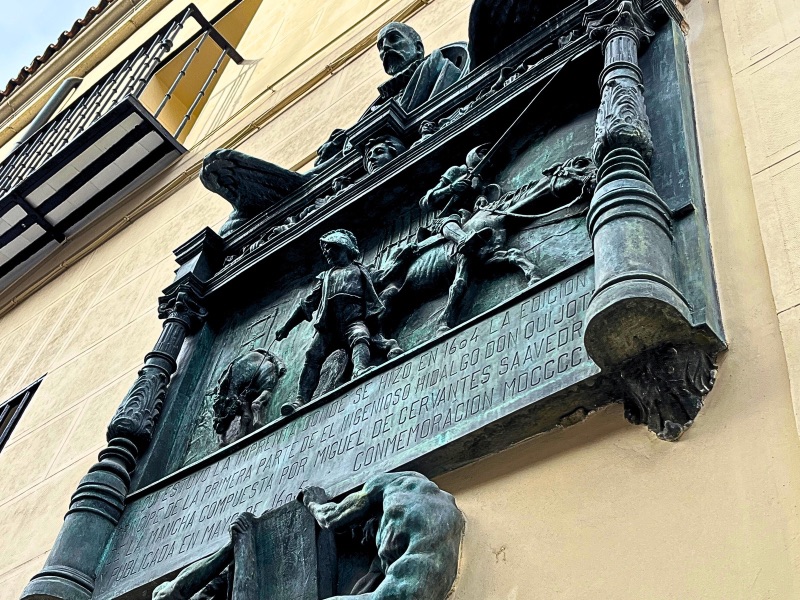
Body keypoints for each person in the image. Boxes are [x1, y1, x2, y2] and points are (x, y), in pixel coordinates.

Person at [275, 230, 398, 415]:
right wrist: (286, 327)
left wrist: (402, 259)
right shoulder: (325, 277)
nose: (326, 253)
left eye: (330, 248)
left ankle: (359, 370)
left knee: (360, 336)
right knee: (312, 355)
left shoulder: (361, 271)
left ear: (343, 247)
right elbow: (308, 303)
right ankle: (300, 400)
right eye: (324, 250)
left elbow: (382, 278)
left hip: (353, 321)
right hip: (329, 328)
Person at [302, 472, 464, 600]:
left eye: (357, 529)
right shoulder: (419, 505)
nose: (364, 540)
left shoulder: (394, 485)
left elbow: (330, 517)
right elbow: (375, 573)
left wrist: (313, 502)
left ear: (362, 514)